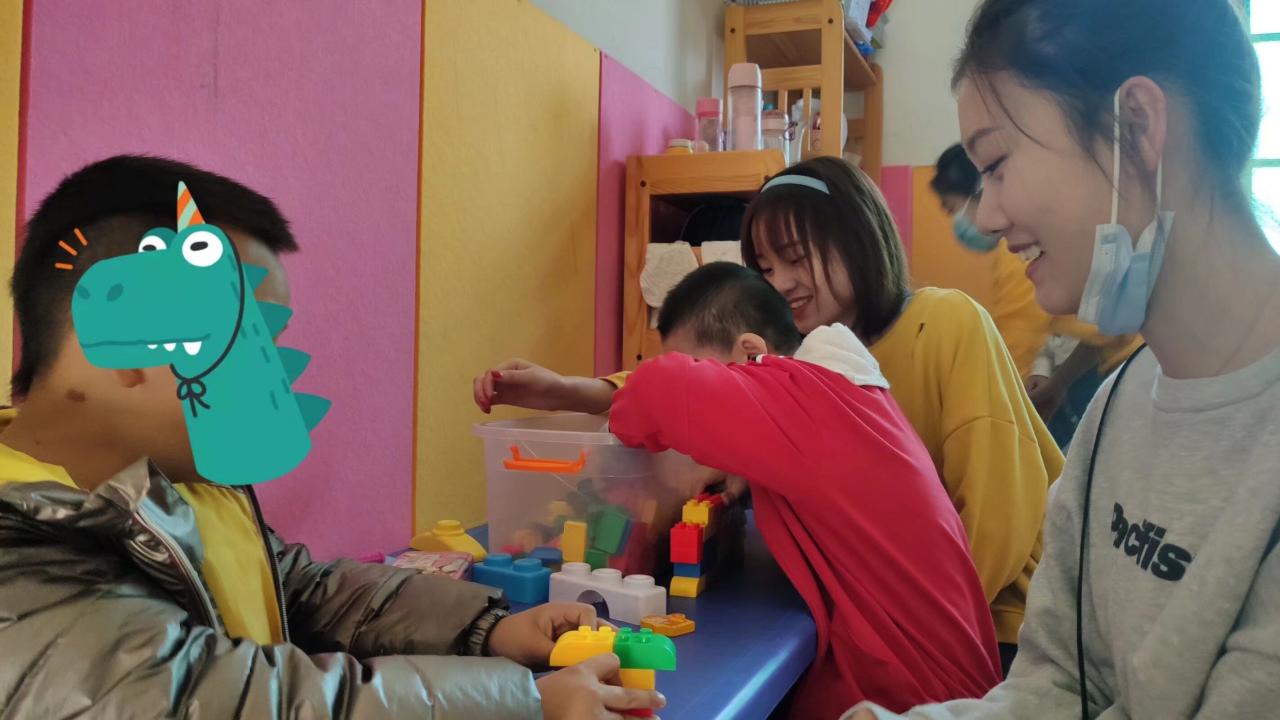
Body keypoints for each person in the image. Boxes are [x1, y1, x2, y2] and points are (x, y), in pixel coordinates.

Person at [0, 155, 664, 719]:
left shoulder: (190, 482)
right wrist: (522, 702)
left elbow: (299, 590)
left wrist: (487, 629)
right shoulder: (19, 549)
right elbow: (213, 697)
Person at [847, 0, 1279, 716]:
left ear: (1135, 125)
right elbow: (1060, 685)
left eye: (997, 165)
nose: (987, 217)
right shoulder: (1116, 412)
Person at [502, 262, 1005, 716]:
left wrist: (593, 407)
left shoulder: (805, 394)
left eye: (702, 368)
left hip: (919, 698)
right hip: (929, 683)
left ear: (751, 353)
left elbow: (661, 390)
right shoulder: (846, 394)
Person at [742, 156, 1063, 674]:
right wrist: (604, 392)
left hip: (998, 627)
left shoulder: (944, 322)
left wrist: (903, 631)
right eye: (766, 268)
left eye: (796, 258)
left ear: (857, 238)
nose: (780, 283)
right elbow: (711, 376)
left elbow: (997, 522)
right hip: (895, 623)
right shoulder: (810, 364)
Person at [932, 143, 1143, 442]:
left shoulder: (1020, 247)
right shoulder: (1052, 223)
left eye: (955, 210)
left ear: (980, 194)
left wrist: (1002, 413)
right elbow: (1102, 332)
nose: (966, 223)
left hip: (1133, 370)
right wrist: (1058, 384)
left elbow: (1019, 332)